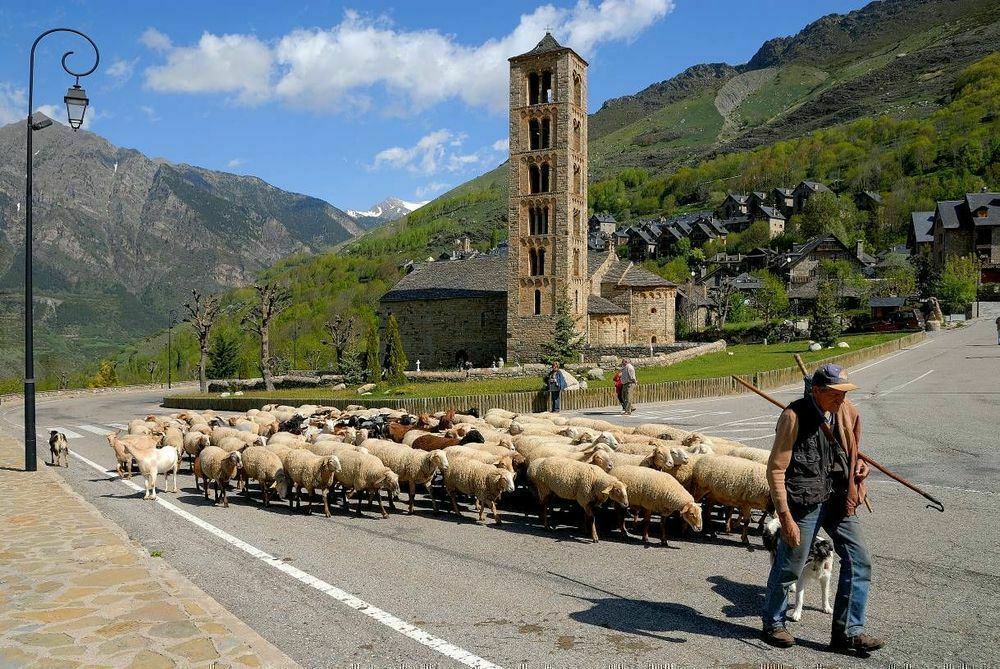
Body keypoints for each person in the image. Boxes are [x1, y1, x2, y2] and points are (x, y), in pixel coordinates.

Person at [761, 363, 883, 657]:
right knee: (791, 564)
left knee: (860, 560)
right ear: (817, 391)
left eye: (844, 392)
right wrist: (785, 517)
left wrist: (858, 467)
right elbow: (775, 470)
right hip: (805, 501)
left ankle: (848, 633)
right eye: (835, 392)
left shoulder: (846, 412)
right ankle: (773, 623)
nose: (842, 398)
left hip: (840, 498)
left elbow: (851, 452)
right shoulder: (793, 416)